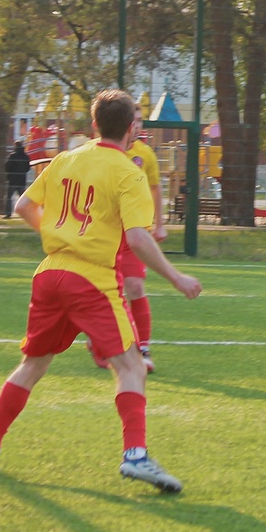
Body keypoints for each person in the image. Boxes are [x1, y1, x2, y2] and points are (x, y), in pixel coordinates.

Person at [0, 89, 202, 492]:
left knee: (33, 365)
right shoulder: (128, 172)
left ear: (95, 124)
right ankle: (136, 456)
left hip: (49, 273)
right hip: (91, 278)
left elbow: (23, 205)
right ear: (133, 128)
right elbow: (138, 239)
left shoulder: (67, 158)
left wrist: (58, 235)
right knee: (131, 366)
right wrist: (176, 277)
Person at [89, 104, 167, 373]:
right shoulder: (93, 154)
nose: (137, 126)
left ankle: (142, 349)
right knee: (99, 292)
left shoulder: (144, 155)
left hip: (134, 230)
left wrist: (160, 224)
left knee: (134, 286)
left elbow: (155, 189)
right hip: (102, 233)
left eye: (140, 121)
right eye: (133, 121)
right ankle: (99, 342)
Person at [4, 141, 30, 218]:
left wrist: (9, 174)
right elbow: (27, 168)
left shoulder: (12, 156)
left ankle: (8, 213)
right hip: (22, 180)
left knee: (9, 198)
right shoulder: (26, 156)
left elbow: (7, 167)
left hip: (12, 180)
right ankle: (25, 214)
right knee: (23, 199)